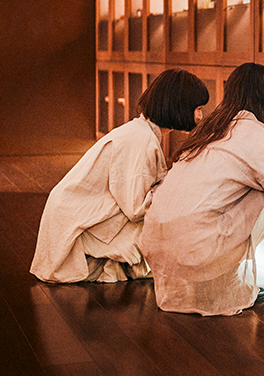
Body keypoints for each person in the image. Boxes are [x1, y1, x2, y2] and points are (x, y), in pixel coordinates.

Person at [139, 63, 264, 316]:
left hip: (155, 244)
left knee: (251, 185)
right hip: (198, 249)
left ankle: (211, 279)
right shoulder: (262, 135)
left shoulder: (210, 128)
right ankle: (225, 280)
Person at [30, 69, 210, 284]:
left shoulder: (142, 132)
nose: (200, 117)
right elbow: (136, 209)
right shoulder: (141, 140)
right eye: (198, 109)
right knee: (179, 235)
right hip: (77, 225)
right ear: (179, 107)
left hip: (75, 214)